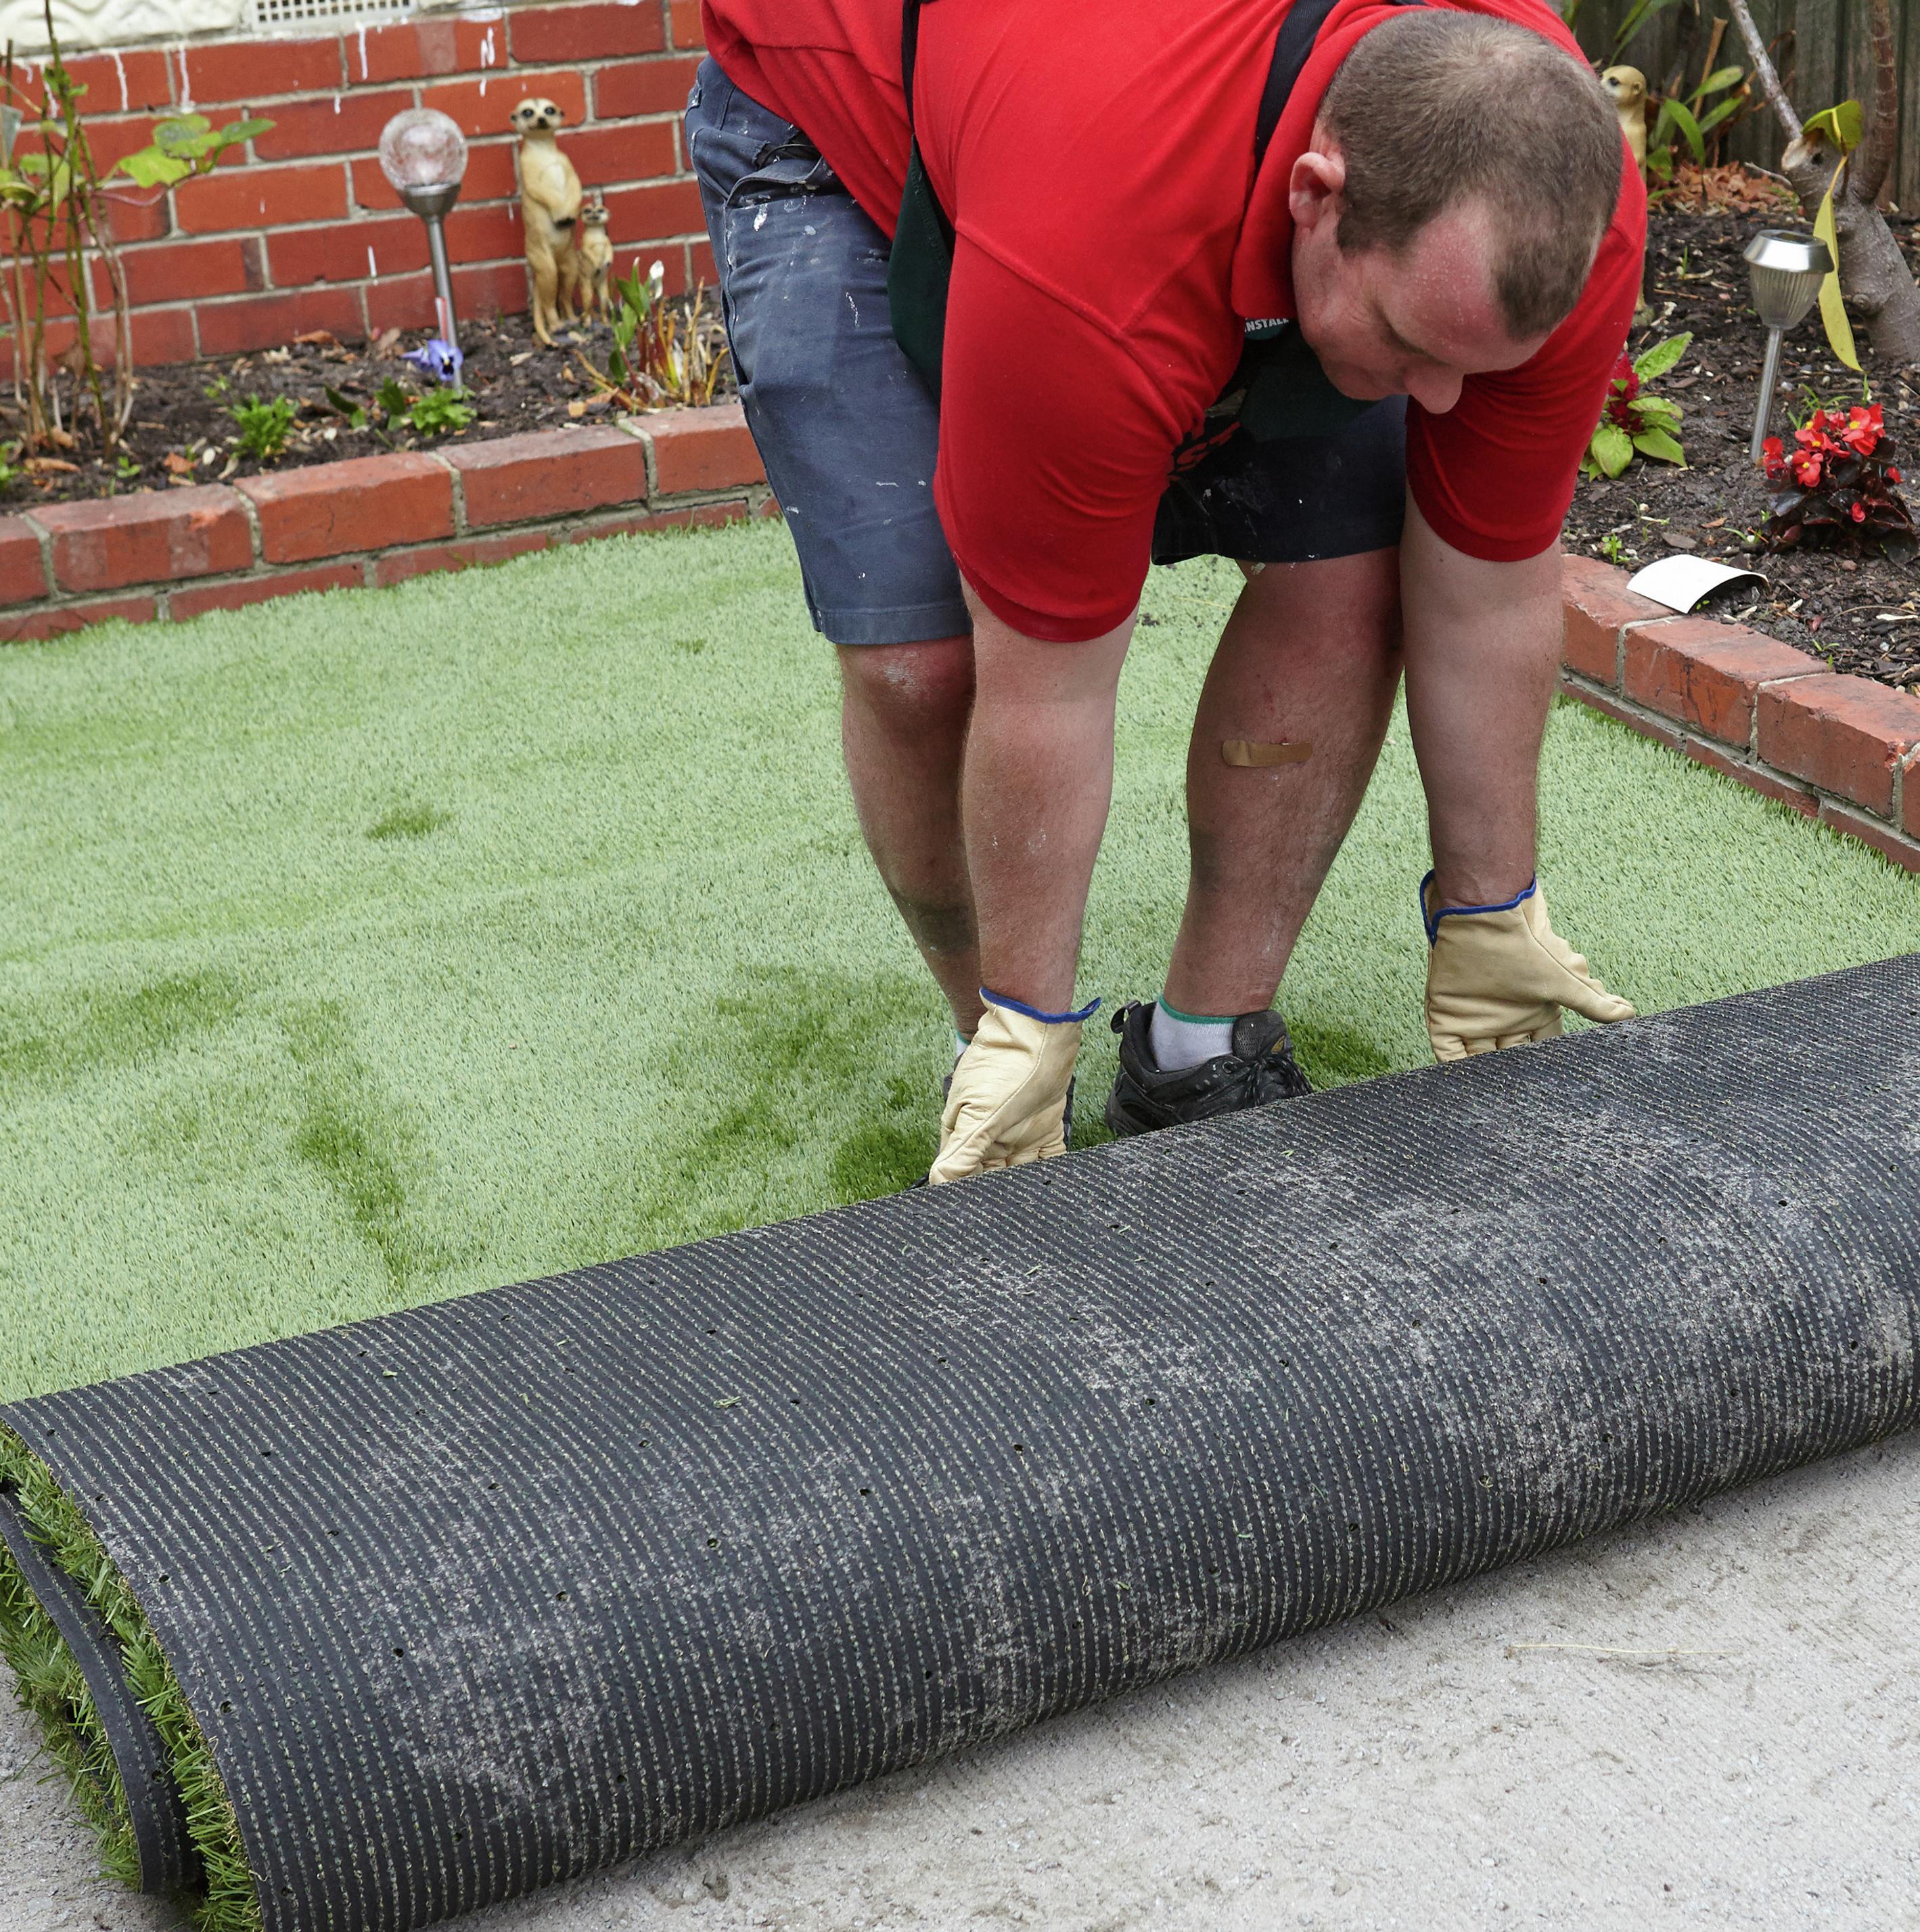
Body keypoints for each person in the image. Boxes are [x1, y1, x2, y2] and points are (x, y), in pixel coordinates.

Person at [689, 0, 1644, 1186]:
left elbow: (1489, 588)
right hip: (840, 118)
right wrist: (1030, 1019)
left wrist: (1493, 914)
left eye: (1470, 364)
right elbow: (1051, 684)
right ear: (1317, 195)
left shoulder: (1560, 206)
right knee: (923, 660)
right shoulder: (1092, 254)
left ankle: (1203, 1049)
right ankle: (994, 1047)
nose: (1441, 404)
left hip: (1139, 124)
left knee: (1347, 569)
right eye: (1412, 345)